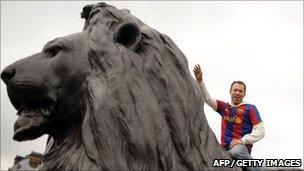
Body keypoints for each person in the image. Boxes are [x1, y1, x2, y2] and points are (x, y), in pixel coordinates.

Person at [193, 64, 265, 171]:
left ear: (244, 94)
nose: (237, 93)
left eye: (240, 91)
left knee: (236, 151)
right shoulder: (224, 107)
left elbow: (261, 131)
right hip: (224, 151)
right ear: (230, 91)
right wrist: (200, 81)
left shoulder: (250, 109)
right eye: (235, 90)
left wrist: (243, 140)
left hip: (239, 149)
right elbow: (207, 98)